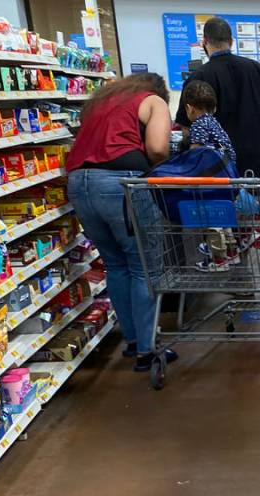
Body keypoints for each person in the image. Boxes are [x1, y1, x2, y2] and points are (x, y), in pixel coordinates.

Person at [66, 72, 178, 372]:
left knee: (116, 265)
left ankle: (132, 341)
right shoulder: (152, 101)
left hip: (78, 184)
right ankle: (148, 349)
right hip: (121, 185)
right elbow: (157, 148)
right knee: (144, 266)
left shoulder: (100, 103)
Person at [176, 17, 260, 178]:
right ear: (231, 41)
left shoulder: (198, 77)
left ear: (204, 42)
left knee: (222, 203)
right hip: (259, 159)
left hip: (219, 168)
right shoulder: (257, 69)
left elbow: (187, 128)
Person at [183, 79, 235, 160]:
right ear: (215, 109)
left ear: (190, 109)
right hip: (228, 168)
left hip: (211, 170)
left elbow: (194, 153)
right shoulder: (215, 123)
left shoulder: (198, 124)